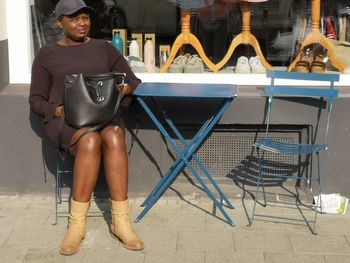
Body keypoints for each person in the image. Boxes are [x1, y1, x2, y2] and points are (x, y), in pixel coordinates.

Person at [29, 0, 144, 255]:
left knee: (114, 136)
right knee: (90, 140)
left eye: (85, 17)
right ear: (59, 22)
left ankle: (120, 221)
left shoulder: (104, 49)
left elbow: (133, 80)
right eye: (73, 18)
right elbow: (35, 99)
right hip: (65, 122)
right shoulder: (46, 55)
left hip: (103, 118)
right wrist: (57, 110)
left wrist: (122, 89)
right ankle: (76, 225)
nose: (82, 23)